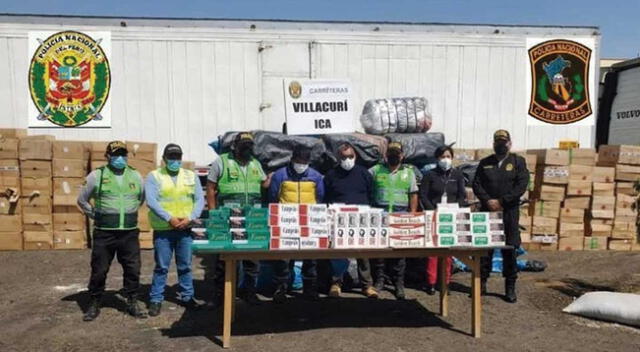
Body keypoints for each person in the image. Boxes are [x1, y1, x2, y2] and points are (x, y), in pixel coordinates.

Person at [77, 141, 146, 321]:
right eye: (116, 155)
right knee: (99, 269)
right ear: (107, 156)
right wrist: (96, 215)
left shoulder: (136, 176)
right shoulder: (96, 176)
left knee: (133, 269)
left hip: (129, 232)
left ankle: (132, 300)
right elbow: (82, 200)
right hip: (104, 232)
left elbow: (141, 198)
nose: (120, 158)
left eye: (123, 154)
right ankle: (94, 302)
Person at [206, 132, 271, 305]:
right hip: (228, 219)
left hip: (252, 219)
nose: (247, 149)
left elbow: (264, 182)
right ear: (235, 146)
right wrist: (213, 213)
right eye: (243, 146)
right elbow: (211, 188)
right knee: (225, 260)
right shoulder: (222, 162)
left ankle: (249, 292)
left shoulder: (255, 163)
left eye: (249, 146)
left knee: (252, 259)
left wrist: (273, 176)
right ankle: (222, 295)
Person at [146, 144, 205, 316]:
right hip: (164, 229)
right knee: (162, 266)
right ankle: (156, 299)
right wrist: (169, 218)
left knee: (185, 265)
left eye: (177, 157)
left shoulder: (190, 175)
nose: (174, 161)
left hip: (185, 228)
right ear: (164, 159)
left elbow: (199, 200)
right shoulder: (154, 176)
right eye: (171, 157)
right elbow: (151, 201)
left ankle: (188, 297)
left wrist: (190, 218)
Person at [472, 130, 529, 303]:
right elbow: (476, 184)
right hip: (488, 212)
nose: (500, 145)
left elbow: (521, 185)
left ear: (509, 144)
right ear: (493, 144)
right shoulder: (485, 163)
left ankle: (510, 287)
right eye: (498, 142)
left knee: (510, 250)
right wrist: (488, 200)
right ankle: (481, 284)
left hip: (509, 213)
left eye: (504, 142)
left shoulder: (518, 162)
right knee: (485, 249)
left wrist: (502, 201)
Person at [268, 147, 324, 303]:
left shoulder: (315, 176)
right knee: (284, 257)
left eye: (304, 162)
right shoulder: (280, 175)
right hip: (286, 221)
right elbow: (273, 197)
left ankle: (310, 288)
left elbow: (319, 197)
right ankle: (281, 288)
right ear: (292, 160)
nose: (301, 165)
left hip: (309, 221)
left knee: (310, 256)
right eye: (298, 161)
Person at [323, 142, 378, 299]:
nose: (347, 159)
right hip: (338, 220)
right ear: (338, 157)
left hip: (361, 219)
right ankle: (336, 283)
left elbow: (371, 194)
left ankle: (367, 285)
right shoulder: (331, 175)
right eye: (344, 157)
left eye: (350, 156)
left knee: (363, 254)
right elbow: (326, 197)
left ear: (355, 156)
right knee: (338, 253)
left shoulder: (364, 174)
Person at [369, 142, 419, 300]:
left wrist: (412, 213)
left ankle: (398, 284)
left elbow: (413, 194)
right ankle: (379, 281)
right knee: (379, 250)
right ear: (385, 155)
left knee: (399, 251)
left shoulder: (408, 173)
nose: (393, 156)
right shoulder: (376, 170)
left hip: (401, 215)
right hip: (380, 213)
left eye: (397, 153)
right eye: (391, 153)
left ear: (402, 155)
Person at [419, 145, 466, 295]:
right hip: (433, 216)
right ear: (437, 158)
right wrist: (432, 210)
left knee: (447, 252)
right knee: (433, 252)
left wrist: (454, 209)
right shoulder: (429, 175)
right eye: (442, 157)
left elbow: (461, 195)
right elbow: (423, 195)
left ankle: (445, 282)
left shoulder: (457, 175)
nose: (446, 160)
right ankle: (431, 282)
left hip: (450, 217)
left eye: (448, 157)